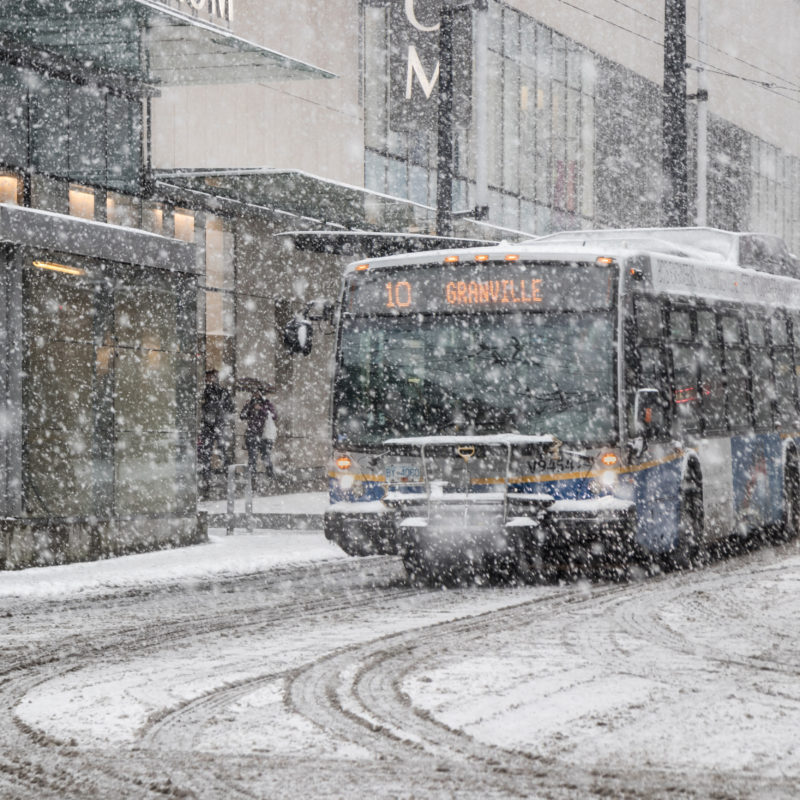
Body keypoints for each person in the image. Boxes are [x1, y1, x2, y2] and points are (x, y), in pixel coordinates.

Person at [199, 370, 235, 484]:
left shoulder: (221, 391)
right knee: (206, 452)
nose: (208, 380)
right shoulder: (204, 391)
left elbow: (230, 408)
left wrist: (219, 412)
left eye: (210, 377)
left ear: (215, 378)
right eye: (207, 378)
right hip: (208, 425)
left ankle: (227, 473)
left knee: (221, 450)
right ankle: (207, 477)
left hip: (218, 425)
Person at [240, 386, 278, 484]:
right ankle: (252, 481)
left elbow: (274, 416)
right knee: (252, 458)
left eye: (257, 393)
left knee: (266, 457)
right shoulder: (250, 404)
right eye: (254, 393)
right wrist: (247, 406)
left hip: (264, 436)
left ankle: (272, 478)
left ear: (261, 394)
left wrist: (261, 409)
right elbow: (242, 416)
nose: (255, 395)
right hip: (252, 434)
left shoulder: (267, 404)